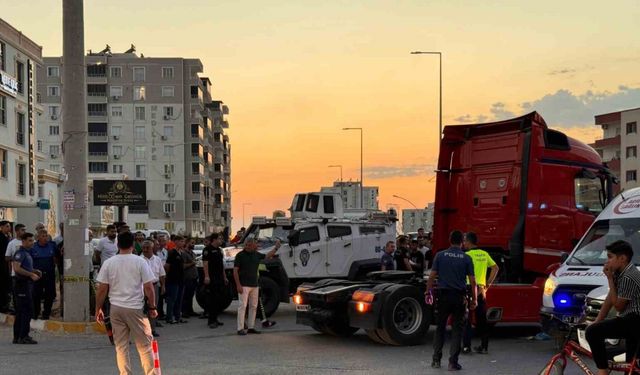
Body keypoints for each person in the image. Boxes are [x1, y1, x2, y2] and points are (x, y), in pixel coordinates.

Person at [95, 231, 157, 375]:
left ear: (117, 244)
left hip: (115, 309)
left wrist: (98, 308)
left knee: (121, 346)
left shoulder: (109, 263)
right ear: (133, 245)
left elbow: (102, 289)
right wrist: (153, 306)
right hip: (135, 308)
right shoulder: (140, 261)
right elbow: (149, 287)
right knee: (144, 345)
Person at [586, 240, 640, 375]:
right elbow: (610, 297)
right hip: (630, 321)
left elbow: (619, 307)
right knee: (632, 368)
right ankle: (605, 366)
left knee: (593, 332)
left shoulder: (629, 276)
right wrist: (598, 320)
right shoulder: (619, 273)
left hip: (635, 321)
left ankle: (603, 370)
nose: (607, 261)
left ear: (622, 259)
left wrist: (610, 279)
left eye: (610, 257)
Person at [426, 230, 477, 371]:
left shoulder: (440, 255)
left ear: (450, 240)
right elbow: (473, 281)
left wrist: (428, 292)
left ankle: (436, 360)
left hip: (442, 297)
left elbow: (432, 276)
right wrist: (474, 298)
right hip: (459, 298)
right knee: (456, 330)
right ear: (462, 242)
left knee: (440, 328)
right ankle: (452, 363)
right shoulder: (466, 258)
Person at [461, 232, 499, 355]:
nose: (464, 243)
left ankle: (466, 347)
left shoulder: (466, 255)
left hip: (468, 288)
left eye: (465, 240)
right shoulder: (484, 254)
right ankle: (484, 347)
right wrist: (488, 284)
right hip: (481, 289)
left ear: (469, 241)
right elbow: (495, 268)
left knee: (467, 319)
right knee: (482, 320)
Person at [234, 238, 279, 335]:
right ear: (249, 245)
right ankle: (240, 328)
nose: (257, 245)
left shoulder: (256, 254)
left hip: (254, 285)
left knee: (253, 306)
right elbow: (235, 271)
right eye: (255, 244)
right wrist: (238, 285)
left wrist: (276, 248)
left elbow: (267, 256)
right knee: (242, 306)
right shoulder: (240, 255)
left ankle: (251, 327)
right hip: (244, 285)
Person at [11, 232, 40, 344]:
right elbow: (17, 268)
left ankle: (18, 336)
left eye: (32, 240)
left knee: (22, 311)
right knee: (26, 310)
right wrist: (31, 275)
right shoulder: (20, 253)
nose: (32, 242)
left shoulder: (27, 253)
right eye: (29, 240)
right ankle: (23, 336)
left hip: (26, 284)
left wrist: (34, 271)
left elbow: (24, 267)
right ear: (23, 241)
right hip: (21, 284)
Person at [31, 230, 59, 320]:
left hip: (49, 274)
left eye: (46, 236)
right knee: (36, 295)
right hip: (37, 275)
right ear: (38, 237)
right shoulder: (33, 247)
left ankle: (46, 314)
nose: (45, 238)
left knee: (49, 295)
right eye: (43, 236)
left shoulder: (52, 245)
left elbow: (58, 256)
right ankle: (35, 313)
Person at [140, 240, 165, 337]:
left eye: (148, 248)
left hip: (154, 286)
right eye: (144, 248)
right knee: (141, 309)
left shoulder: (157, 259)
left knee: (153, 307)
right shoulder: (139, 259)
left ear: (152, 248)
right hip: (141, 286)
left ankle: (152, 329)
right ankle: (142, 330)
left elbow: (162, 274)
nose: (145, 250)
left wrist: (163, 286)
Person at [203, 233, 228, 328]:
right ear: (214, 240)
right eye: (219, 239)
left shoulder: (219, 250)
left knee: (218, 299)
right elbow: (205, 263)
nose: (221, 240)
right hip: (211, 277)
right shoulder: (207, 250)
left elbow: (222, 265)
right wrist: (206, 276)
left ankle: (216, 319)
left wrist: (224, 277)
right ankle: (211, 320)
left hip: (219, 277)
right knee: (212, 299)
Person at [164, 236, 186, 324]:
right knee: (172, 299)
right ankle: (169, 317)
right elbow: (167, 266)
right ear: (176, 242)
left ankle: (177, 317)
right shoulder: (172, 252)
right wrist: (167, 276)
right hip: (173, 279)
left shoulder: (181, 252)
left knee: (179, 299)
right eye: (181, 241)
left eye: (183, 241)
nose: (182, 243)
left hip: (181, 279)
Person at [181, 239, 198, 318]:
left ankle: (190, 310)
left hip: (193, 277)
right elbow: (183, 266)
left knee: (191, 295)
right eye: (192, 243)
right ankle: (184, 311)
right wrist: (192, 263)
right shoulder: (184, 253)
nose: (193, 244)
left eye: (194, 243)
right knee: (186, 295)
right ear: (187, 243)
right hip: (187, 277)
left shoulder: (193, 253)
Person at [0, 220, 12, 313]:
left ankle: (6, 305)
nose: (9, 228)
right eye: (7, 226)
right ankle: (3, 306)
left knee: (7, 286)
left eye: (9, 226)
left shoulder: (8, 237)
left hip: (6, 265)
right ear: (2, 227)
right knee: (3, 286)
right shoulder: (1, 237)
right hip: (2, 265)